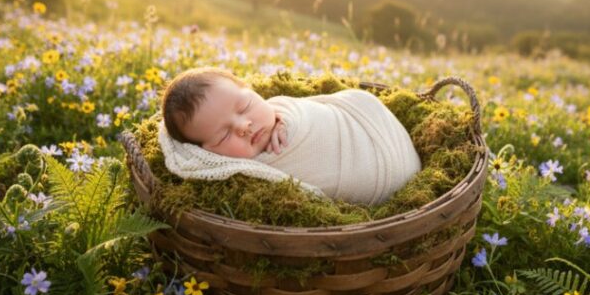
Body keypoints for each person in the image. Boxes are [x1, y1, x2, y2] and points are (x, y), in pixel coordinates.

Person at [158, 66, 422, 206]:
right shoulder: (237, 172)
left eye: (244, 106)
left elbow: (295, 105)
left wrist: (286, 119)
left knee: (360, 100)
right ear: (206, 153)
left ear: (252, 91)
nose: (244, 126)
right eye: (224, 135)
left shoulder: (282, 108)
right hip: (372, 182)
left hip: (369, 126)